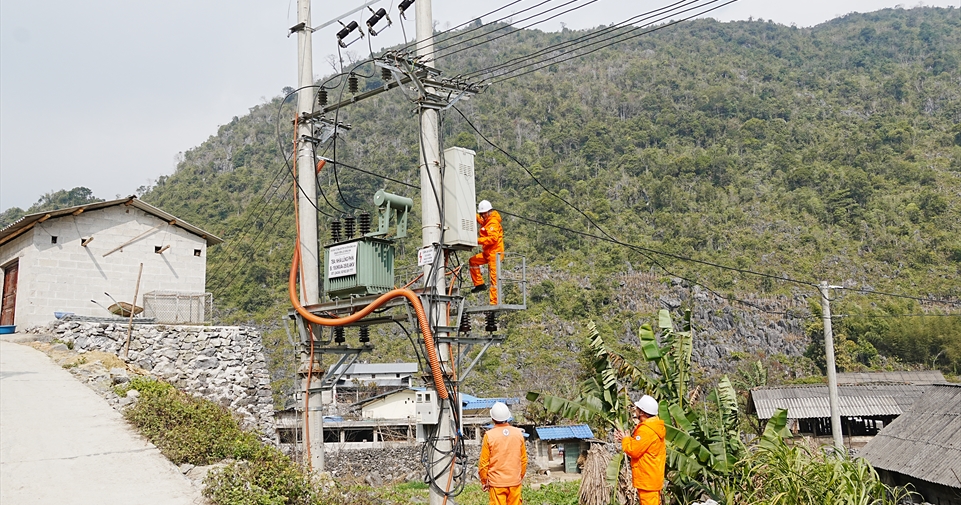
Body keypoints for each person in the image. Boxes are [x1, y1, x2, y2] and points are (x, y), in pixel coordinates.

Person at [613, 395, 666, 505]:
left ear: (642, 412)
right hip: (652, 478)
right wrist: (626, 438)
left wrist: (626, 440)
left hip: (648, 479)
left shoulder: (646, 430)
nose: (635, 410)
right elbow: (642, 447)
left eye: (637, 408)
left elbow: (633, 450)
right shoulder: (654, 427)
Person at [478, 401, 527, 505]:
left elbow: (484, 463)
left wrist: (484, 481)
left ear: (492, 418)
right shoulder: (518, 433)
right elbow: (523, 460)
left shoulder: (489, 435)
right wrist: (519, 477)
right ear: (508, 417)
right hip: (514, 481)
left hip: (497, 483)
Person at [469, 200, 504, 305]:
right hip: (487, 253)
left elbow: (493, 239)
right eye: (481, 213)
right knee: (473, 261)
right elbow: (480, 220)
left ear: (489, 211)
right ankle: (479, 284)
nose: (482, 215)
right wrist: (470, 212)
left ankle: (494, 302)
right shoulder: (486, 220)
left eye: (484, 213)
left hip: (495, 254)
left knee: (494, 280)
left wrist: (477, 241)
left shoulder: (493, 222)